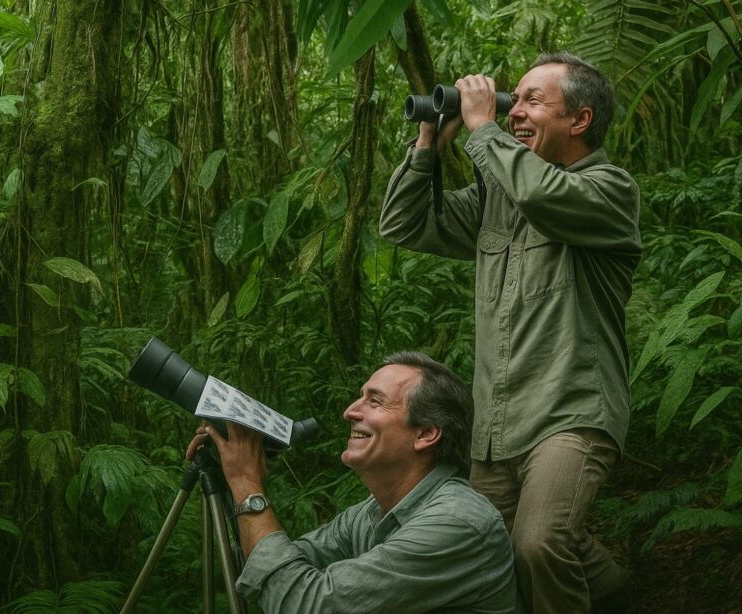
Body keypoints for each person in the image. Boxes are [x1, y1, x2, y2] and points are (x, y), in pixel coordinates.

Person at [379, 52, 641, 613]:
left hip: (571, 410)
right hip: (498, 423)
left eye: (532, 100)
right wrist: (429, 142)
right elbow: (403, 223)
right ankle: (618, 588)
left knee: (538, 542)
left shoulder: (609, 190)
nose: (515, 111)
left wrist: (482, 127)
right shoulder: (498, 197)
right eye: (511, 99)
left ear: (580, 120)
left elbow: (545, 195)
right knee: (486, 547)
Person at [187, 351, 522, 613]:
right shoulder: (370, 514)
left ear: (426, 434)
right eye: (359, 397)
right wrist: (231, 478)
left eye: (374, 401)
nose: (350, 411)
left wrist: (247, 482)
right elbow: (264, 570)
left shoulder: (456, 523)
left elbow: (305, 604)